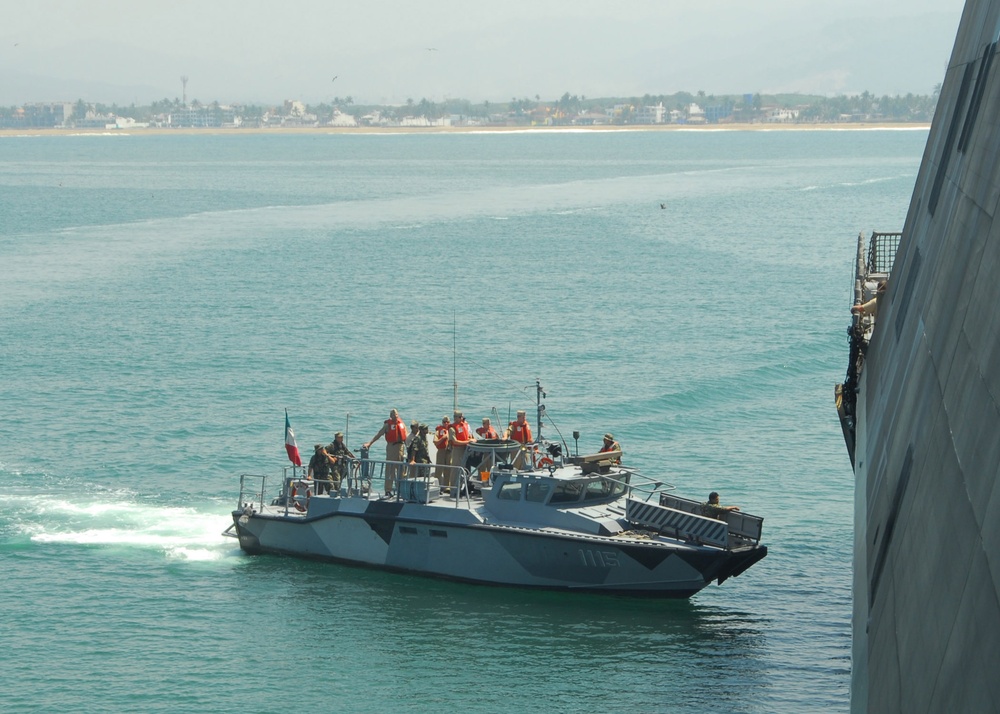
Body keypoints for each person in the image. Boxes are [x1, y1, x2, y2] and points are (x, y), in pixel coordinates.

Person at [364, 408, 408, 497]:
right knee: (390, 469)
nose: (395, 416)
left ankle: (400, 489)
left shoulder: (401, 423)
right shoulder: (387, 425)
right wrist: (370, 443)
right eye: (393, 415)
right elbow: (379, 434)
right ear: (390, 416)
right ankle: (388, 490)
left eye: (396, 414)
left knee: (401, 470)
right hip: (392, 447)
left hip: (401, 447)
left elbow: (406, 435)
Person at [448, 410, 475, 492]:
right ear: (455, 417)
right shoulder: (452, 428)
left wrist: (471, 440)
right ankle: (453, 488)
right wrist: (468, 442)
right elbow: (455, 441)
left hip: (465, 449)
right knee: (455, 469)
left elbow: (467, 436)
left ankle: (462, 487)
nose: (461, 418)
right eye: (460, 417)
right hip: (457, 450)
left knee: (464, 469)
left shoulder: (464, 426)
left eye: (462, 417)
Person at [432, 415, 451, 485]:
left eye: (447, 422)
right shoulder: (438, 431)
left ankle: (447, 486)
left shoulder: (451, 430)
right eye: (444, 422)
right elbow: (435, 442)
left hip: (449, 452)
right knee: (439, 470)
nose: (446, 423)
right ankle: (436, 485)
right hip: (441, 452)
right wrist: (443, 438)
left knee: (448, 470)